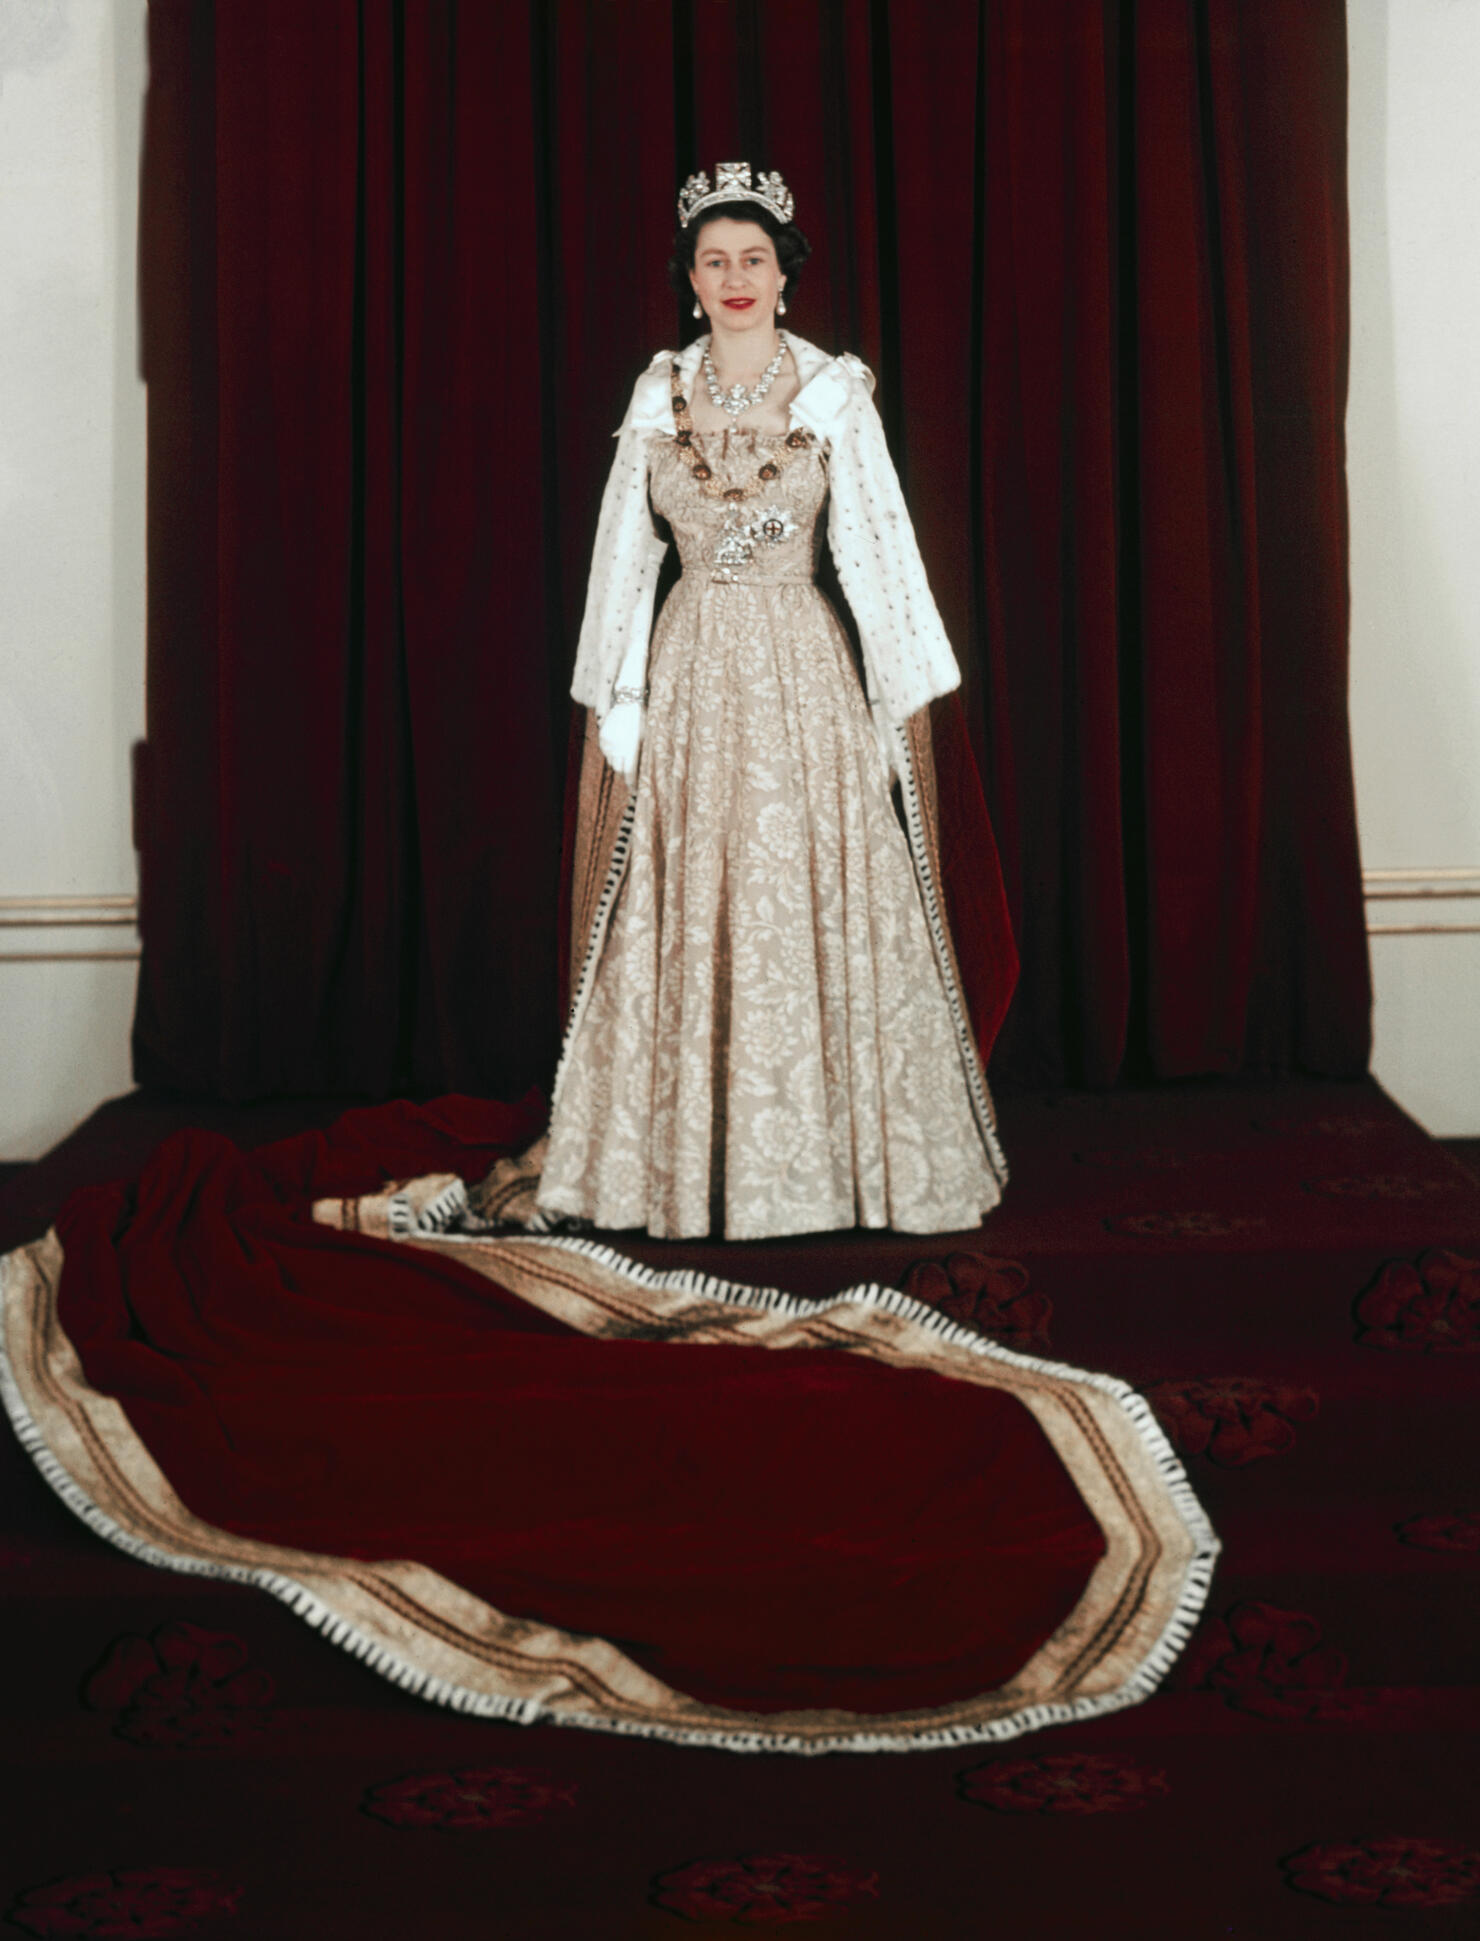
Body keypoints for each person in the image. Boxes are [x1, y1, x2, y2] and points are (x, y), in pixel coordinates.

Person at [527, 162, 1010, 1243]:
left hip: (801, 668)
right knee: (689, 890)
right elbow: (620, 558)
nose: (734, 277)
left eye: (754, 259)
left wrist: (898, 701)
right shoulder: (657, 396)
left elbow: (880, 549)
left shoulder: (833, 391)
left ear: (783, 277)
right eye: (714, 261)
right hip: (690, 665)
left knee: (808, 882)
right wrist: (616, 694)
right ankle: (685, 1165)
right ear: (689, 279)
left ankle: (835, 1163)